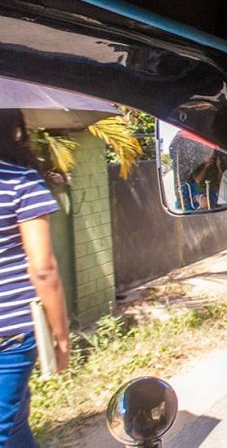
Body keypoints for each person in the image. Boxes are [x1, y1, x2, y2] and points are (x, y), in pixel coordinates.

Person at [0, 110, 70, 447]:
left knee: (12, 423)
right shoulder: (20, 181)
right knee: (6, 429)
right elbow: (42, 268)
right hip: (10, 335)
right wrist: (61, 338)